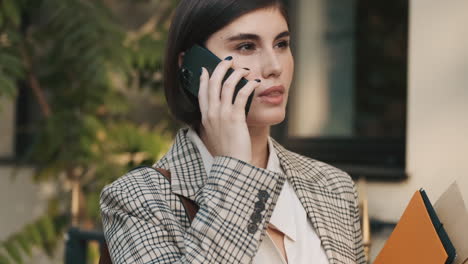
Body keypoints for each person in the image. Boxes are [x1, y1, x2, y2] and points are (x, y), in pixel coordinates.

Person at [100, 0, 365, 263]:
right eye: (247, 46)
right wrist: (235, 168)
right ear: (192, 65)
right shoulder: (138, 200)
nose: (274, 66)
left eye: (281, 44)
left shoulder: (333, 186)